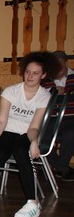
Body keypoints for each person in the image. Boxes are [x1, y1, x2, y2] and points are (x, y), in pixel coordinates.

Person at [0, 51, 60, 217]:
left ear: (43, 75)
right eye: (28, 72)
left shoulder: (44, 97)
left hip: (27, 133)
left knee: (20, 149)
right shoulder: (10, 92)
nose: (30, 76)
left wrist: (34, 142)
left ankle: (33, 203)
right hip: (8, 130)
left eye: (35, 73)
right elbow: (1, 121)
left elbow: (34, 127)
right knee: (0, 150)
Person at [42, 50, 74, 181]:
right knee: (40, 138)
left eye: (59, 63)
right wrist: (52, 92)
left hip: (71, 117)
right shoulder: (44, 79)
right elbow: (36, 95)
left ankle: (60, 167)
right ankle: (62, 168)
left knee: (71, 134)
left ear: (66, 63)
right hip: (50, 118)